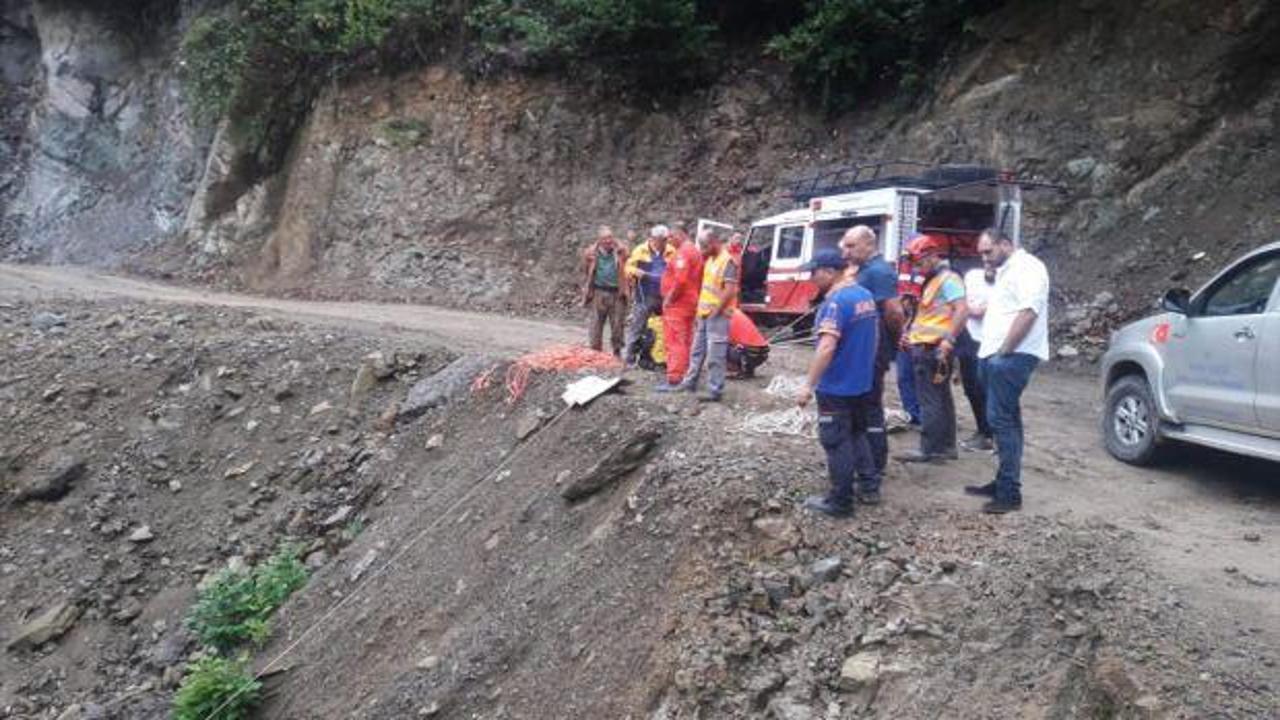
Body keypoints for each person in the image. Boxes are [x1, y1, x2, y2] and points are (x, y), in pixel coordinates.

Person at [965, 229, 1050, 513]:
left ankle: (1009, 492)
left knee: (1002, 422)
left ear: (1005, 244)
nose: (984, 258)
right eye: (981, 253)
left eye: (988, 251)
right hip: (996, 353)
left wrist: (1004, 351)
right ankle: (1003, 482)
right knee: (1005, 420)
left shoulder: (1028, 267)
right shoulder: (1006, 270)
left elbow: (1029, 311)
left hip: (1012, 355)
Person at [796, 249, 881, 517]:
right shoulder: (865, 296)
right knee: (858, 433)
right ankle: (869, 487)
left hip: (837, 386)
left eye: (814, 272)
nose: (811, 277)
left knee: (835, 441)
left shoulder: (835, 303)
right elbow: (875, 335)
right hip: (861, 383)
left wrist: (808, 385)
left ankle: (840, 501)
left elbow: (826, 348)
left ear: (830, 272)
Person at [839, 226, 905, 481]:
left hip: (873, 350)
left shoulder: (879, 272)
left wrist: (893, 342)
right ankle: (865, 459)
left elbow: (894, 312)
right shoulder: (865, 270)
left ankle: (875, 463)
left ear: (869, 244)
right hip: (863, 349)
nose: (846, 252)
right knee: (861, 404)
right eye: (845, 246)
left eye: (851, 246)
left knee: (870, 405)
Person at [897, 235, 967, 464]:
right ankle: (946, 447)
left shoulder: (947, 280)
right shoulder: (933, 280)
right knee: (941, 398)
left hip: (933, 347)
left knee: (930, 400)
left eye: (920, 263)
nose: (917, 269)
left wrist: (948, 340)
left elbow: (962, 310)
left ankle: (929, 448)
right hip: (929, 345)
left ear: (932, 256)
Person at [677, 228, 739, 402]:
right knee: (696, 351)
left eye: (704, 246)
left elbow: (730, 291)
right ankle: (689, 382)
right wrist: (700, 313)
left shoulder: (727, 261)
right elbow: (707, 289)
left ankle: (715, 390)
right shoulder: (711, 260)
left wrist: (717, 311)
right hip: (705, 313)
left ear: (713, 243)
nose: (701, 251)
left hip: (718, 315)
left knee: (715, 355)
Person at [656, 223, 702, 391]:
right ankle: (687, 374)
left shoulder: (684, 252)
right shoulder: (694, 251)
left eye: (671, 236)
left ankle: (675, 377)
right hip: (689, 302)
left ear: (681, 234)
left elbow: (681, 280)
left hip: (678, 305)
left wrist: (669, 298)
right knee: (686, 339)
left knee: (675, 340)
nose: (669, 240)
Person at [956, 259, 996, 450]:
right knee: (970, 388)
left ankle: (989, 433)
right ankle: (984, 430)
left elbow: (978, 311)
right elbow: (962, 303)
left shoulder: (1004, 283)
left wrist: (967, 309)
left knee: (986, 389)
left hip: (991, 340)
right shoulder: (972, 276)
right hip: (968, 337)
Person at [622, 225, 671, 365]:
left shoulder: (671, 251)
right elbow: (628, 267)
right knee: (638, 325)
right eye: (661, 240)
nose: (664, 242)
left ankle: (652, 357)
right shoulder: (640, 250)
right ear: (654, 238)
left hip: (664, 295)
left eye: (665, 240)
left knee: (662, 327)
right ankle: (630, 357)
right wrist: (635, 272)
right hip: (644, 294)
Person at [580, 225, 630, 355]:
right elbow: (586, 270)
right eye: (605, 238)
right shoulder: (591, 252)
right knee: (596, 323)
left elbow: (628, 257)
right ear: (599, 240)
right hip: (598, 292)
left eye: (610, 237)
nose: (608, 241)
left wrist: (619, 245)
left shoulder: (620, 251)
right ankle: (595, 351)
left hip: (617, 292)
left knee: (618, 324)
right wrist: (587, 289)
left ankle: (617, 350)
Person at [726, 309, 769, 378]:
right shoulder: (736, 312)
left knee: (719, 344)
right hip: (763, 353)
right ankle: (748, 370)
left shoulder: (723, 316)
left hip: (749, 353)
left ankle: (735, 370)